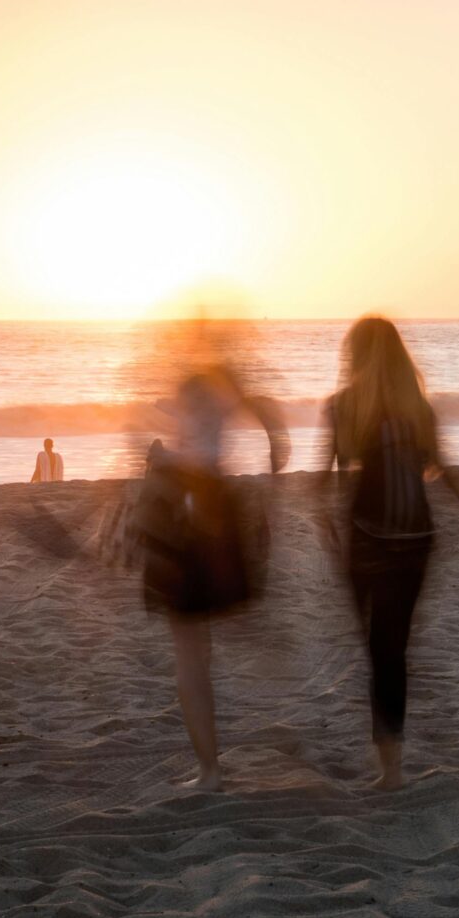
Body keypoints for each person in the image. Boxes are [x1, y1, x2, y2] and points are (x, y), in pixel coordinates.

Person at [320, 316, 459, 791]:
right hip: (415, 541)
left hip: (366, 539)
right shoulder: (417, 410)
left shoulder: (342, 407)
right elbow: (450, 472)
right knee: (391, 651)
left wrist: (324, 523)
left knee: (377, 650)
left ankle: (390, 771)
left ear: (355, 356)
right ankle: (392, 769)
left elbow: (321, 485)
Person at [132, 317, 291, 790]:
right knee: (206, 639)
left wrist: (162, 457)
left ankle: (210, 772)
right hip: (216, 508)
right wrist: (274, 448)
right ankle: (259, 640)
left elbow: (193, 452)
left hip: (187, 516)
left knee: (190, 651)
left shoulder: (192, 382)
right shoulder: (226, 381)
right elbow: (258, 413)